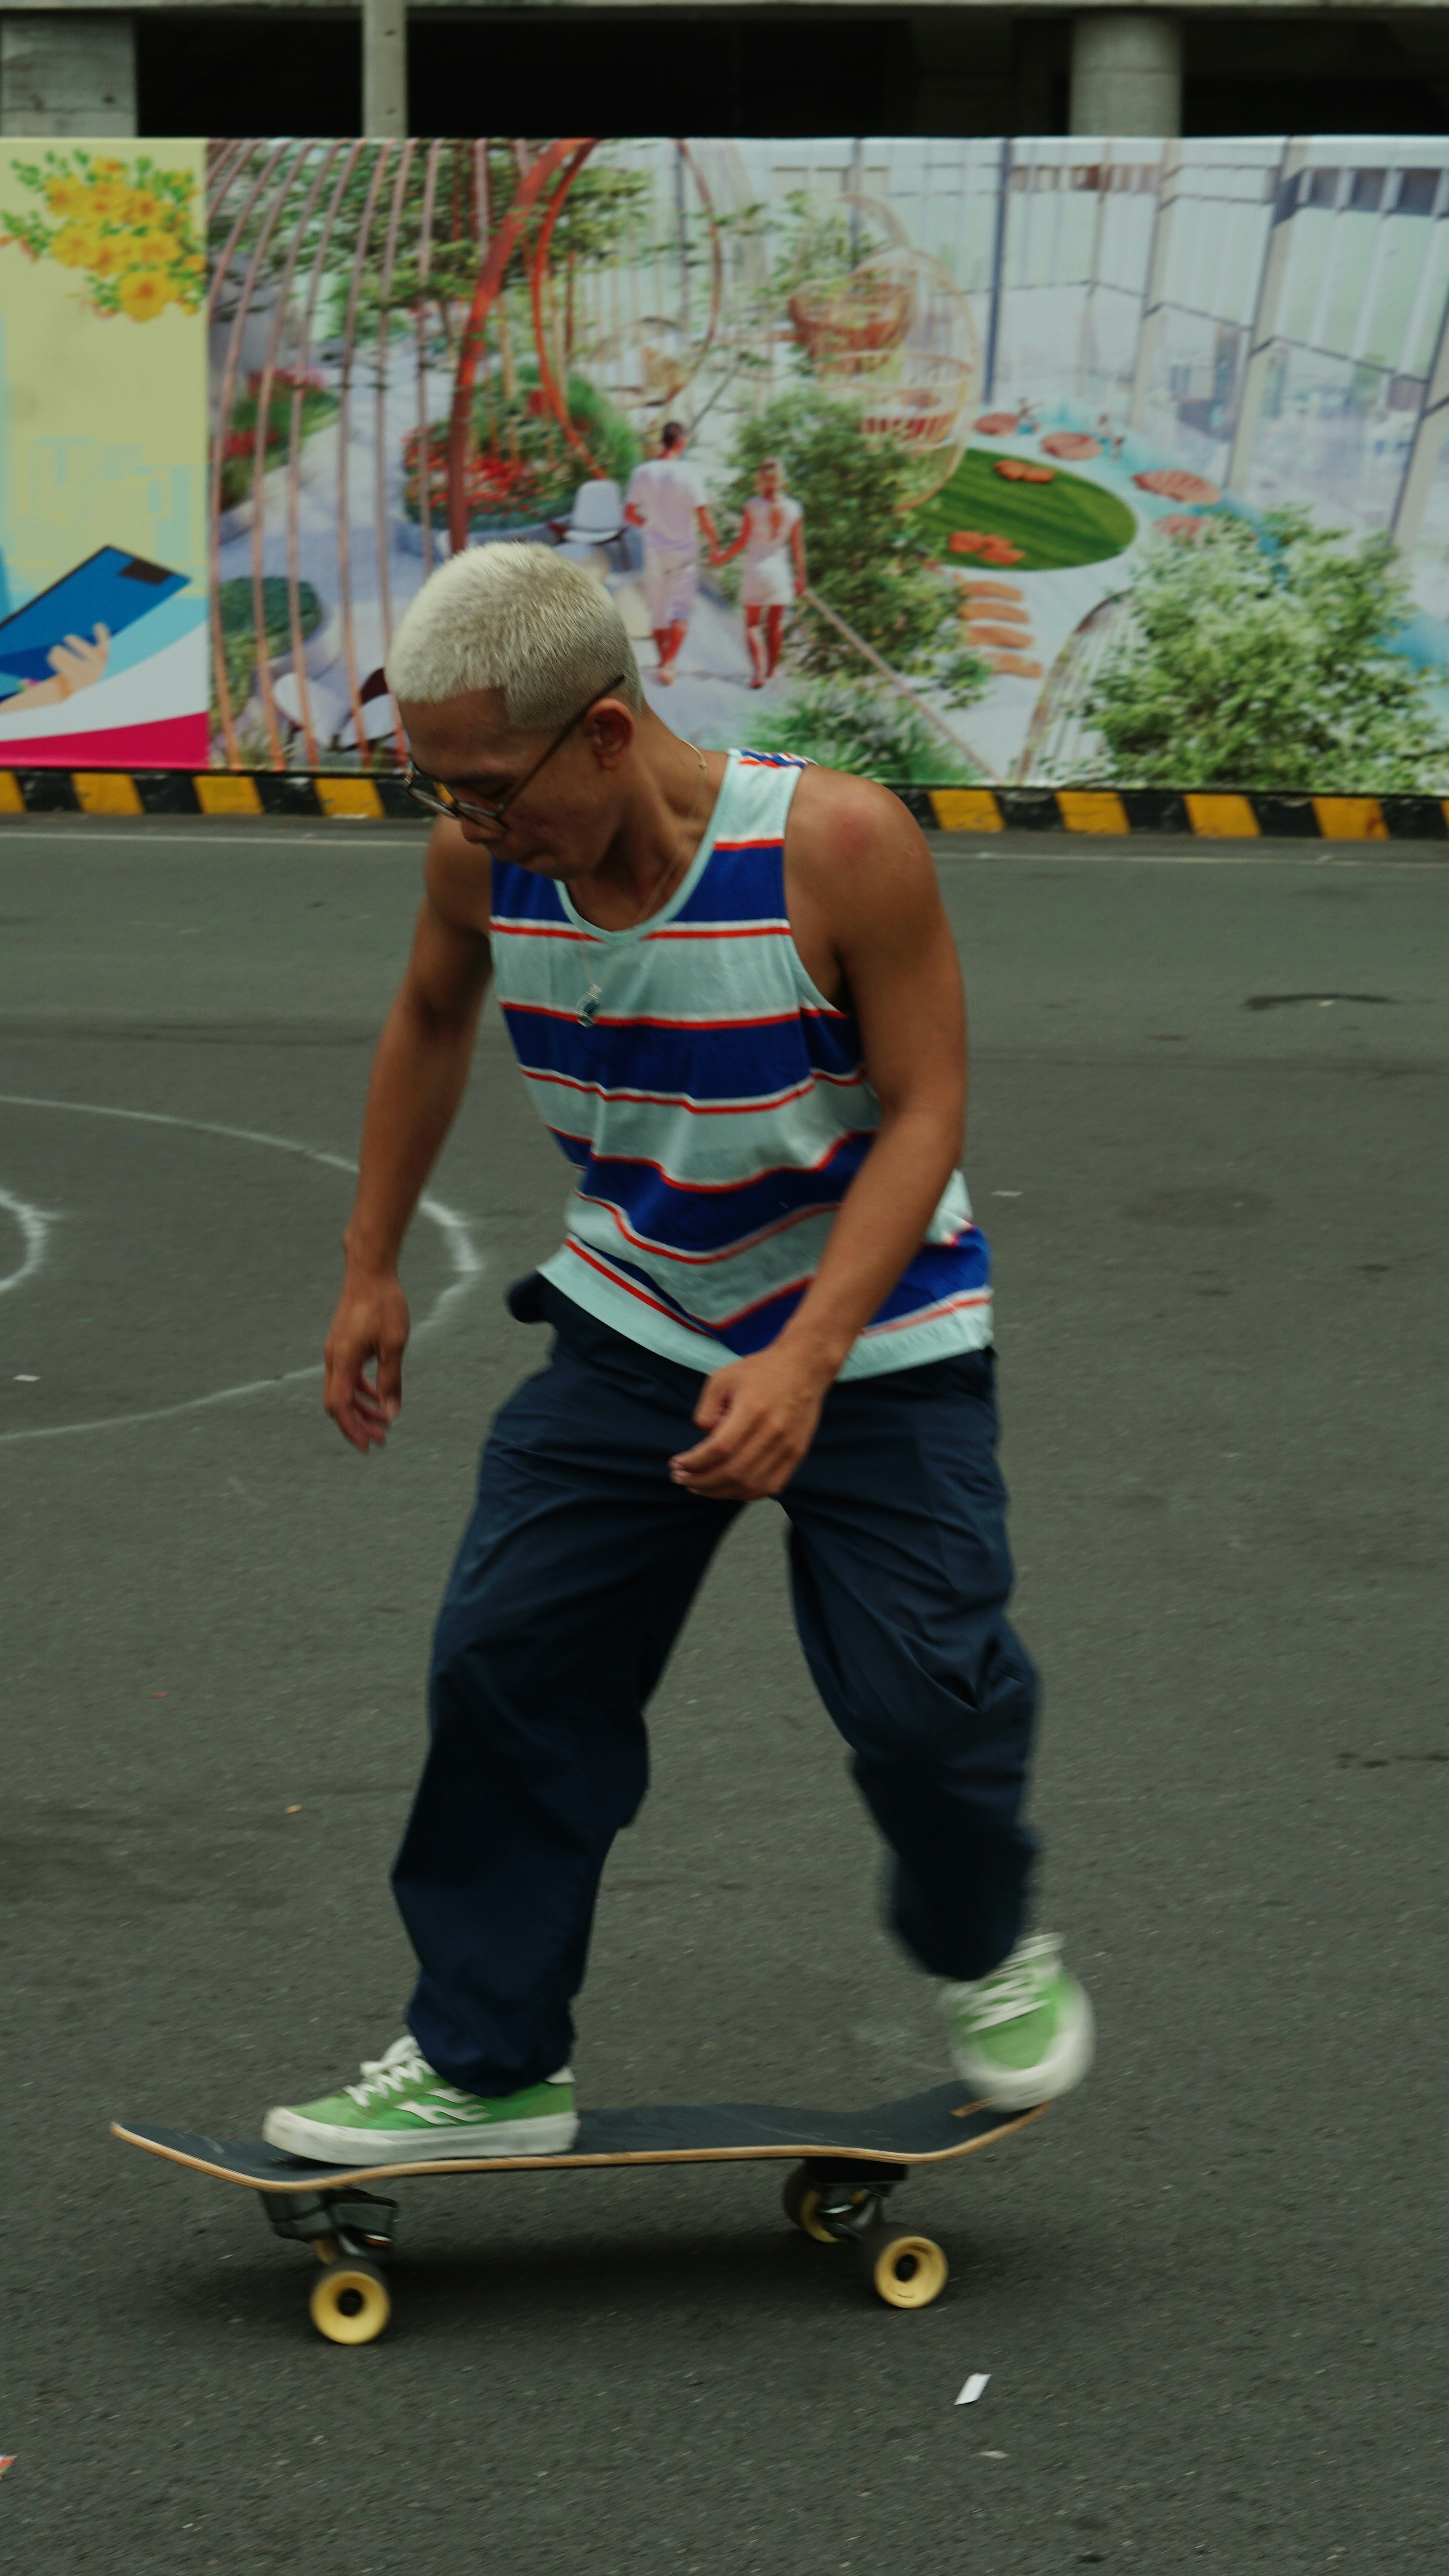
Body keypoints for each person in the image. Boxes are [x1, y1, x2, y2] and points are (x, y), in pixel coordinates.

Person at [262, 543, 1094, 2165]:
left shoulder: (834, 846)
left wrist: (803, 1361)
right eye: (438, 788)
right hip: (640, 1312)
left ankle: (986, 1940)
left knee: (921, 1700)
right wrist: (368, 1265)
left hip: (877, 1334)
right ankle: (484, 2060)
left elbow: (924, 1109)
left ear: (605, 731)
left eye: (492, 786)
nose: (470, 824)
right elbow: (432, 1014)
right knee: (509, 1660)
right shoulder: (477, 862)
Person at [623, 421, 718, 686]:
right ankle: (670, 663)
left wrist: (650, 524)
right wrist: (714, 544)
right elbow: (704, 516)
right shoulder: (690, 474)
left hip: (655, 549)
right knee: (681, 610)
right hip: (684, 551)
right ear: (681, 443)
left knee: (658, 609)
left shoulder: (642, 473)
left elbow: (629, 514)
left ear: (663, 442)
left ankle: (664, 660)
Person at [713, 457, 806, 687]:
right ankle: (772, 672)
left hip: (756, 570)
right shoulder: (794, 509)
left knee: (753, 625)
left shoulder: (753, 506)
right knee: (775, 626)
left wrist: (721, 558)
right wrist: (802, 577)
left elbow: (742, 541)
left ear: (761, 479)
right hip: (780, 573)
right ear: (782, 479)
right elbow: (797, 549)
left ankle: (759, 672)